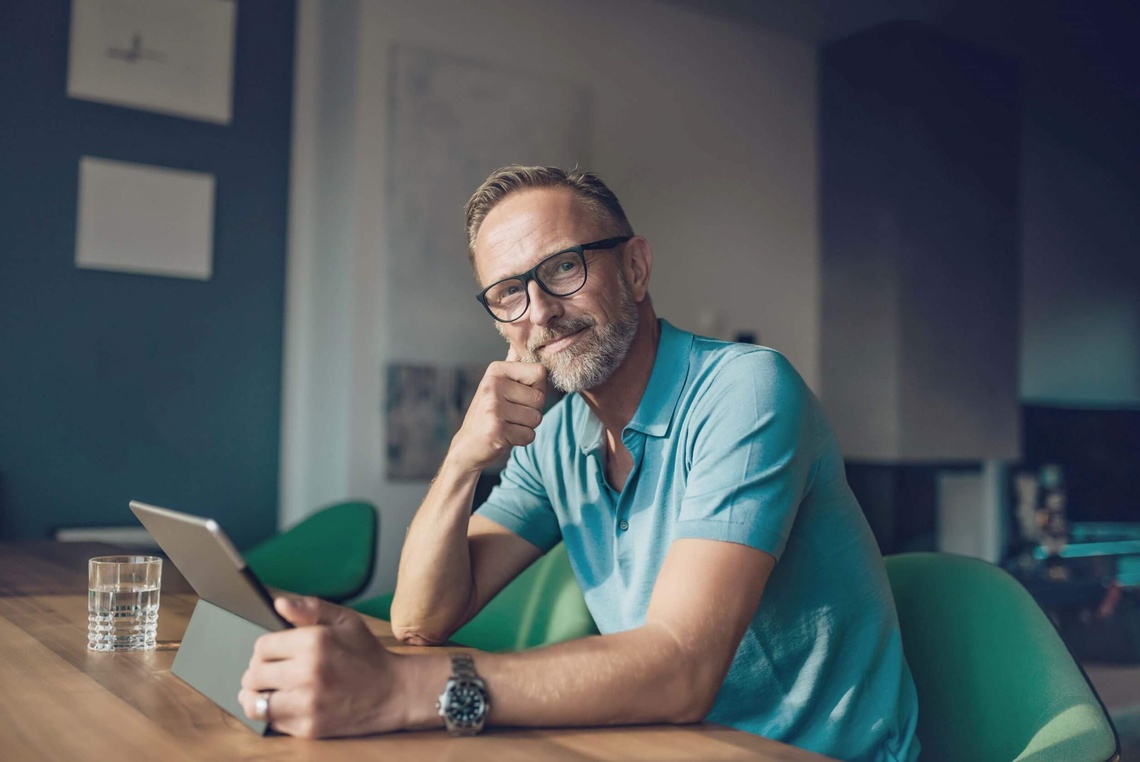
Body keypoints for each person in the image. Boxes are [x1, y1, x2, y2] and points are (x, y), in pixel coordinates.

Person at [240, 166, 920, 761]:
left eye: (564, 267)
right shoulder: (561, 435)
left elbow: (682, 668)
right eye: (508, 292)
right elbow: (423, 619)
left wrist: (405, 688)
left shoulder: (745, 390)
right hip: (666, 744)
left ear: (635, 267)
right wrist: (461, 462)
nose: (540, 312)